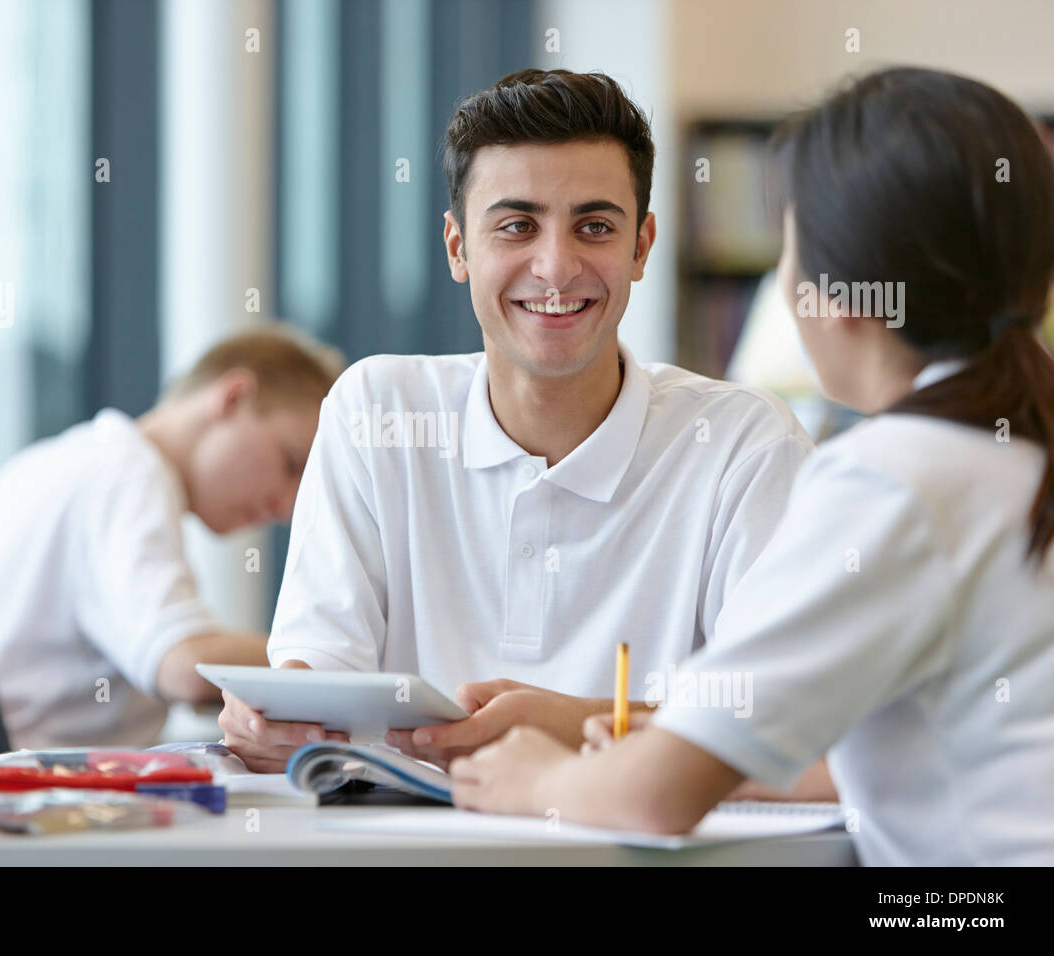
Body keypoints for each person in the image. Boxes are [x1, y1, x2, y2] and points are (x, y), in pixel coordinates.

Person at [451, 67, 1054, 866]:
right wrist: (662, 741)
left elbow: (651, 801)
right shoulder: (1008, 451)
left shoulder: (890, 480)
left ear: (836, 293)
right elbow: (810, 745)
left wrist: (538, 779)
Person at [221, 69, 819, 776]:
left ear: (642, 247)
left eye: (594, 227)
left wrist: (573, 723)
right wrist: (277, 722)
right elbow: (319, 676)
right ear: (457, 247)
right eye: (517, 226)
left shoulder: (743, 445)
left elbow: (791, 717)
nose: (556, 267)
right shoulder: (375, 411)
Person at [0, 325, 343, 749]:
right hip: (39, 793)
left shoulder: (50, 462)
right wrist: (329, 660)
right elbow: (185, 665)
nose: (288, 508)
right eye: (292, 465)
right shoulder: (128, 471)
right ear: (233, 398)